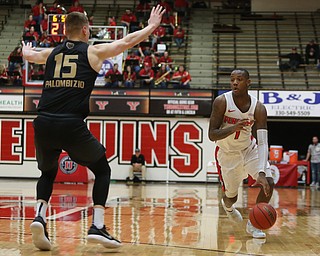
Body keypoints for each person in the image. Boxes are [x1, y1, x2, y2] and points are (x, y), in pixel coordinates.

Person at [22, 6, 165, 251]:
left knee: (47, 172)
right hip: (70, 123)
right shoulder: (93, 51)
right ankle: (97, 225)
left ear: (65, 31)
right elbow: (127, 41)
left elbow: (30, 56)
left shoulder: (51, 52)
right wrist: (152, 26)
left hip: (43, 121)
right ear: (86, 30)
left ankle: (39, 216)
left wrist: (25, 51)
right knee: (102, 170)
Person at [208, 69, 274, 239]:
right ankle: (228, 207)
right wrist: (233, 128)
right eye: (232, 80)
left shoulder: (258, 107)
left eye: (239, 79)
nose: (235, 83)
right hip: (227, 153)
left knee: (269, 182)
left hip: (248, 148)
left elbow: (263, 142)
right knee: (231, 197)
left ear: (248, 82)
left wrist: (260, 172)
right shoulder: (221, 101)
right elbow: (212, 135)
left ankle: (253, 225)